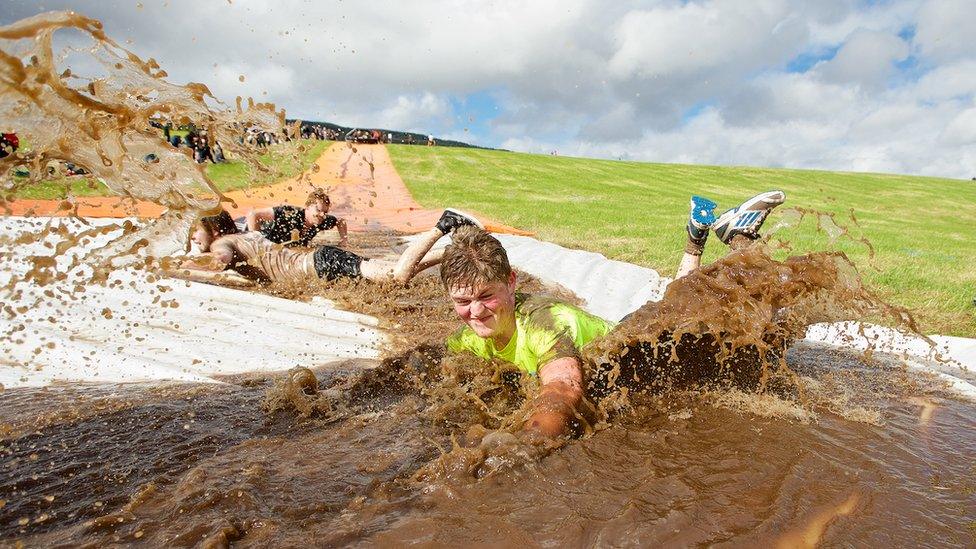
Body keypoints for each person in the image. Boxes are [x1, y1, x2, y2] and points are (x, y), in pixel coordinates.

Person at [440, 191, 786, 438]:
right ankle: (696, 239)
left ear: (511, 282)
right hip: (633, 344)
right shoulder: (465, 340)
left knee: (744, 323)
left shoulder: (542, 322)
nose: (475, 311)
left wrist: (525, 444)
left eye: (486, 296)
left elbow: (563, 388)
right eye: (462, 301)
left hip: (639, 343)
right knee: (684, 302)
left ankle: (739, 236)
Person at [179, 208, 482, 287]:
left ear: (215, 230)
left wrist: (184, 264)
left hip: (322, 265)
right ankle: (454, 250)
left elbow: (220, 260)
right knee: (392, 271)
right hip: (322, 263)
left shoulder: (223, 242)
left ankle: (444, 225)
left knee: (396, 278)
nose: (194, 240)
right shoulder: (246, 235)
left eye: (196, 233)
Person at [244, 189, 348, 247]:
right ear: (308, 206)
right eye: (318, 210)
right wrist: (256, 242)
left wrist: (344, 240)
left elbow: (340, 221)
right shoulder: (290, 214)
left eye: (324, 212)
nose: (322, 215)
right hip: (244, 227)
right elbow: (253, 214)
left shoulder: (321, 221)